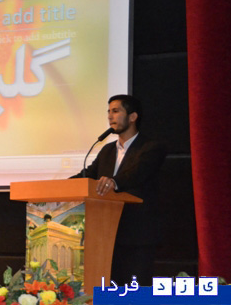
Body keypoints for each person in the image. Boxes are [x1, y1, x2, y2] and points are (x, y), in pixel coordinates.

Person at [71, 94, 166, 286]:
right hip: (105, 235)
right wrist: (63, 186)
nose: (110, 116)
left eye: (115, 111)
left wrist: (114, 182)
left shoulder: (151, 147)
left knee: (135, 292)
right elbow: (88, 175)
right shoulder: (107, 150)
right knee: (108, 289)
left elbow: (137, 173)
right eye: (108, 112)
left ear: (133, 117)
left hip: (137, 235)